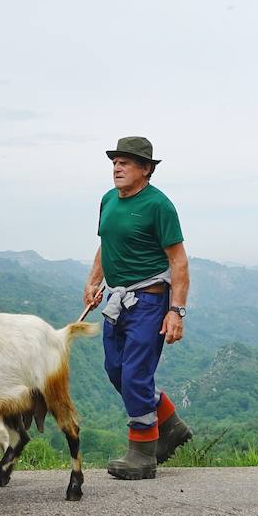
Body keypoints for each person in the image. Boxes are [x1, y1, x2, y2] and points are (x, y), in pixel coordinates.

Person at [83, 136, 192, 480]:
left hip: (149, 300)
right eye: (115, 161)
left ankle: (143, 454)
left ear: (146, 169)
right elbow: (105, 244)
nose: (117, 167)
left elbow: (179, 261)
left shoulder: (159, 206)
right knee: (115, 369)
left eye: (126, 162)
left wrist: (176, 311)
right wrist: (93, 281)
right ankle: (170, 424)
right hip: (117, 300)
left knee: (135, 374)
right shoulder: (107, 201)